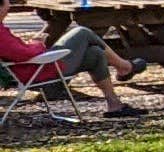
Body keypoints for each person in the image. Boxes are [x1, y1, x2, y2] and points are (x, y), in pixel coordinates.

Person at [0, 8, 139, 115]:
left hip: (34, 69)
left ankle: (114, 105)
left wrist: (33, 44)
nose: (9, 7)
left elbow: (18, 52)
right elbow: (23, 54)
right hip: (39, 72)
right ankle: (124, 66)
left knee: (95, 53)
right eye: (8, 3)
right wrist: (37, 43)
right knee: (82, 32)